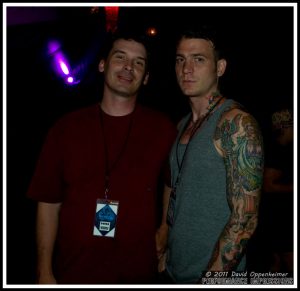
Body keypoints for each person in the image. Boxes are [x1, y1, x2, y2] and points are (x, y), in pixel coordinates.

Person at [27, 28, 177, 284]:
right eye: (120, 57)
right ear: (102, 65)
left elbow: (172, 184)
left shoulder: (163, 129)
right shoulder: (66, 128)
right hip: (74, 273)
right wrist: (44, 271)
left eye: (138, 62)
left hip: (138, 273)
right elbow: (48, 203)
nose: (128, 67)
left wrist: (164, 230)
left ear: (147, 77)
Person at [155, 25, 264, 284]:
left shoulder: (236, 123)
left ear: (221, 68)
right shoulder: (182, 124)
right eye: (181, 59)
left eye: (199, 59)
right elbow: (176, 187)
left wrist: (213, 279)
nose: (186, 68)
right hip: (174, 270)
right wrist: (165, 236)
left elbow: (245, 220)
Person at [254, 108, 294, 273]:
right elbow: (268, 185)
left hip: (277, 217)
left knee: (276, 264)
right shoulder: (278, 151)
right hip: (279, 219)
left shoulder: (282, 149)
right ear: (286, 126)